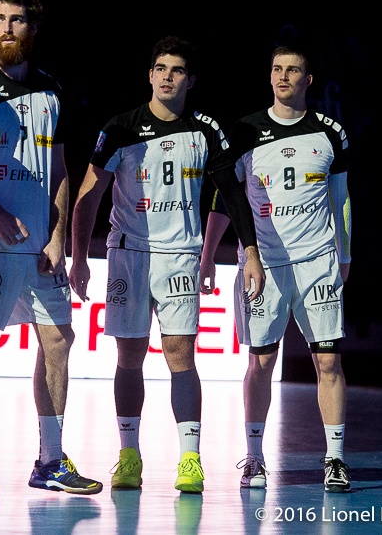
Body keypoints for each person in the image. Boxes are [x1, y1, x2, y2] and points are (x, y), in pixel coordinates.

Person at [69, 36, 266, 494]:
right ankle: (129, 455)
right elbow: (88, 196)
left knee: (181, 355)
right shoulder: (120, 128)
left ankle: (190, 459)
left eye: (176, 70)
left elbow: (232, 193)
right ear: (150, 75)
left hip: (180, 255)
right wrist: (80, 258)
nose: (167, 76)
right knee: (129, 356)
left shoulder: (205, 130)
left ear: (190, 80)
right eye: (160, 68)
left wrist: (249, 252)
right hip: (129, 255)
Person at [0, 0, 101, 496]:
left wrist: (57, 236)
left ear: (33, 29)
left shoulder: (51, 90)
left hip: (38, 246)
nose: (8, 29)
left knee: (59, 338)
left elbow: (58, 168)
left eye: (18, 20)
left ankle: (50, 461)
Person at [200, 45, 353, 493]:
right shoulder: (245, 131)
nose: (283, 77)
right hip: (263, 264)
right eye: (277, 70)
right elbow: (224, 199)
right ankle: (254, 456)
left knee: (328, 361)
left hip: (318, 261)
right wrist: (209, 255)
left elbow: (340, 199)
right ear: (270, 77)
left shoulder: (330, 133)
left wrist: (344, 256)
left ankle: (336, 459)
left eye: (293, 71)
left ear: (309, 80)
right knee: (261, 362)